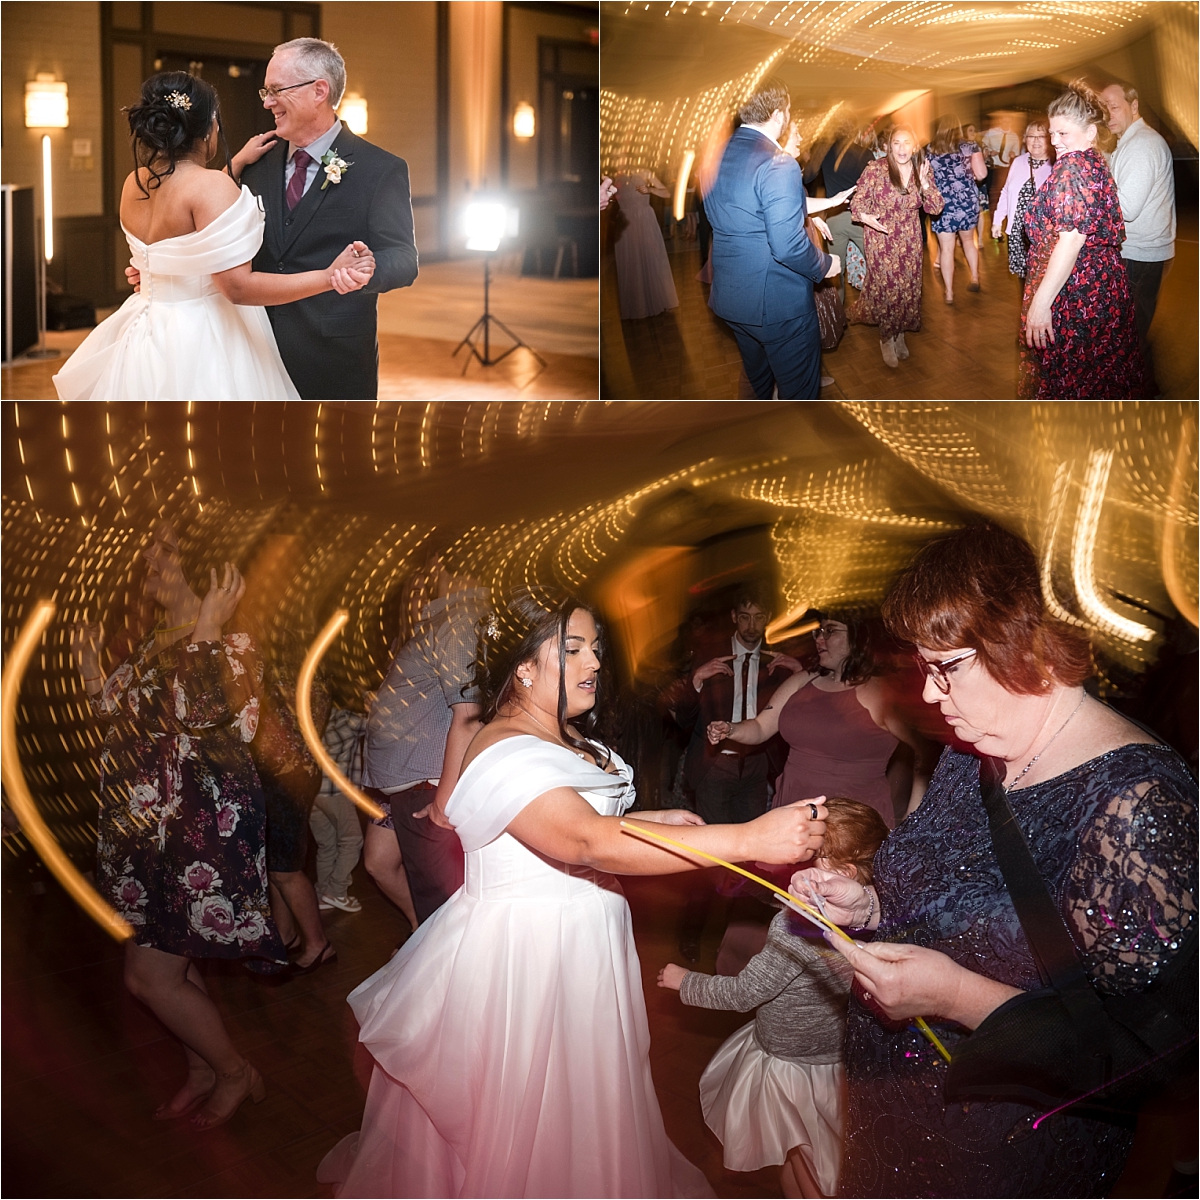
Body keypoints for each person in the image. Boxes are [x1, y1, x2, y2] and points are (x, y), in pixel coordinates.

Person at [317, 592, 830, 1197]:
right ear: (524, 667)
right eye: (573, 649)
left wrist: (657, 818)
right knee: (530, 1112)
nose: (593, 663)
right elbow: (585, 840)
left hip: (585, 941)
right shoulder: (502, 745)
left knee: (587, 1100)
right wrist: (748, 838)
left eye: (596, 649)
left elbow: (590, 817)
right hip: (529, 955)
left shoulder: (563, 731)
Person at [794, 523, 1196, 1197]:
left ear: (1026, 641)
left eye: (945, 668)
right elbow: (943, 891)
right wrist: (868, 903)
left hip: (1009, 1153)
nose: (927, 695)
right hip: (893, 1114)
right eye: (923, 669)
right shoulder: (970, 752)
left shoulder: (1137, 803)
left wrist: (957, 996)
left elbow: (1151, 1061)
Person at [70, 522, 284, 1130]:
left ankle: (237, 1072)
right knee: (178, 966)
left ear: (210, 569)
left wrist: (210, 626)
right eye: (150, 549)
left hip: (195, 841)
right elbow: (118, 722)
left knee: (148, 978)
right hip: (147, 838)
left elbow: (216, 723)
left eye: (164, 552)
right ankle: (201, 1069)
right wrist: (91, 667)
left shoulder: (237, 642)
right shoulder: (154, 642)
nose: (148, 560)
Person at [53, 70, 376, 401]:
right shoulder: (210, 187)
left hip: (146, 329)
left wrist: (233, 165)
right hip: (204, 336)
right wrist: (328, 276)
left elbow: (185, 221)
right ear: (208, 127)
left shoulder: (134, 183)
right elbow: (237, 288)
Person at [657, 799, 890, 1200]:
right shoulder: (879, 914)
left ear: (842, 872)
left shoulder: (795, 927)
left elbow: (744, 993)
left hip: (787, 1066)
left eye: (808, 857)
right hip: (831, 1056)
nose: (794, 861)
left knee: (806, 1162)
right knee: (810, 1151)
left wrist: (684, 982)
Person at [670, 584, 804, 960]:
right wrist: (695, 680)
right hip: (715, 768)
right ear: (734, 617)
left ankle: (736, 936)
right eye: (744, 616)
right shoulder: (710, 655)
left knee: (754, 857)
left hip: (756, 768)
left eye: (759, 617)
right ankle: (692, 933)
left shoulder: (782, 663)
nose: (751, 625)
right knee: (713, 854)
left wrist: (801, 674)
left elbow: (798, 716)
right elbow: (678, 719)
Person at [359, 557, 488, 926]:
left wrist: (443, 800)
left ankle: (432, 946)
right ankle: (424, 940)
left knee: (444, 902)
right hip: (397, 781)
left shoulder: (459, 621)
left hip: (426, 784)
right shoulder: (437, 625)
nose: (416, 587)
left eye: (422, 576)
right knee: (379, 864)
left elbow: (468, 714)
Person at [704, 78, 840, 401]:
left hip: (733, 298)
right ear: (779, 115)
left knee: (759, 385)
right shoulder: (779, 164)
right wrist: (825, 264)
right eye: (789, 112)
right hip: (779, 305)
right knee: (800, 397)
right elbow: (788, 245)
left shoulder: (716, 155)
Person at [1019, 82, 1146, 399]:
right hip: (1100, 286)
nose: (1054, 141)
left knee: (1073, 380)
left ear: (1090, 132)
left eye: (1063, 133)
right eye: (1052, 133)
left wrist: (1040, 303)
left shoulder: (1072, 167)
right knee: (1099, 374)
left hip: (1076, 293)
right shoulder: (1092, 159)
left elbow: (1072, 239)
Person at [250, 628, 335, 974]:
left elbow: (271, 731)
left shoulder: (287, 676)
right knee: (276, 864)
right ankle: (286, 935)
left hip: (287, 778)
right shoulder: (310, 670)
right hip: (290, 775)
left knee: (286, 868)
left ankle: (318, 943)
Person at [1101, 81, 1176, 393]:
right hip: (1140, 252)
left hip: (1140, 254)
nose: (1107, 114)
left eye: (1113, 106)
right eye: (1103, 108)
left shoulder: (1142, 144)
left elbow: (1126, 208)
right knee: (1131, 330)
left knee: (1130, 334)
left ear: (1134, 106)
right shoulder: (1128, 143)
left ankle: (1147, 395)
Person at [848, 125, 944, 368]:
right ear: (889, 146)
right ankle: (886, 338)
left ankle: (900, 332)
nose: (902, 148)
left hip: (910, 239)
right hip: (881, 238)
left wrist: (926, 185)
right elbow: (857, 202)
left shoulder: (921, 170)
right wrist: (865, 217)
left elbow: (935, 208)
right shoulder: (876, 169)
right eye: (896, 143)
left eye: (906, 143)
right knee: (888, 288)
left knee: (908, 288)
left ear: (914, 146)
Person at [808, 122, 874, 305]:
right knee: (876, 265)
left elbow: (808, 177)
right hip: (862, 218)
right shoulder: (865, 153)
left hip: (835, 218)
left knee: (837, 268)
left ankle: (839, 316)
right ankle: (880, 308)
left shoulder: (825, 153)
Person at [311, 703, 367, 914]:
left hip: (313, 791)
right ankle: (336, 891)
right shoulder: (351, 718)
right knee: (352, 839)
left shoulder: (319, 715)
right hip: (335, 791)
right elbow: (381, 725)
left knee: (326, 845)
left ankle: (322, 894)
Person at [926, 116, 987, 304]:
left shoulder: (929, 149)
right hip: (966, 201)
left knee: (946, 249)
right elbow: (982, 174)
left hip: (942, 205)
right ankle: (975, 277)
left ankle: (949, 293)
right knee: (969, 241)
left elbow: (924, 179)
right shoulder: (970, 147)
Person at [992, 117, 1054, 279]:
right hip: (1018, 232)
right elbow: (1006, 191)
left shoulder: (1056, 165)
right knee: (1023, 278)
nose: (1036, 141)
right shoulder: (1019, 162)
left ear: (1050, 139)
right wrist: (998, 220)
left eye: (1041, 136)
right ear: (1025, 139)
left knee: (1043, 279)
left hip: (1043, 235)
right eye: (1031, 136)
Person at [611, 172, 680, 319]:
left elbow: (667, 193)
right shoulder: (615, 175)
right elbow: (611, 195)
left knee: (652, 259)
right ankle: (636, 306)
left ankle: (660, 300)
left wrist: (650, 190)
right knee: (631, 262)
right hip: (625, 225)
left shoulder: (646, 172)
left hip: (645, 221)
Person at [964, 123, 990, 243]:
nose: (973, 133)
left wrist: (986, 156)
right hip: (966, 184)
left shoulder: (980, 145)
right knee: (966, 211)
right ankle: (963, 237)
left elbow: (987, 163)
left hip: (979, 183)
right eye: (970, 131)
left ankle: (979, 239)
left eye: (974, 130)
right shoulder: (960, 147)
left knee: (980, 211)